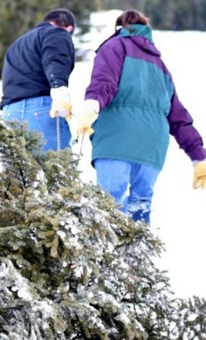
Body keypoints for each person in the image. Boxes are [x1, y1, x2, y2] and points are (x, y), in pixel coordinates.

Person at [76, 9, 206, 224]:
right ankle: (135, 255)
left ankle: (107, 256)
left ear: (120, 28)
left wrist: (92, 104)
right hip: (152, 146)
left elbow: (104, 82)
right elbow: (179, 116)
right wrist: (198, 156)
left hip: (116, 138)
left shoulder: (114, 46)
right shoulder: (161, 66)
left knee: (108, 204)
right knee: (140, 204)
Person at [0, 8, 76, 152]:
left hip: (10, 113)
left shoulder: (17, 44)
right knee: (57, 170)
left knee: (16, 173)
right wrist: (60, 90)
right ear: (69, 28)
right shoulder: (58, 33)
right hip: (41, 110)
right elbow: (55, 60)